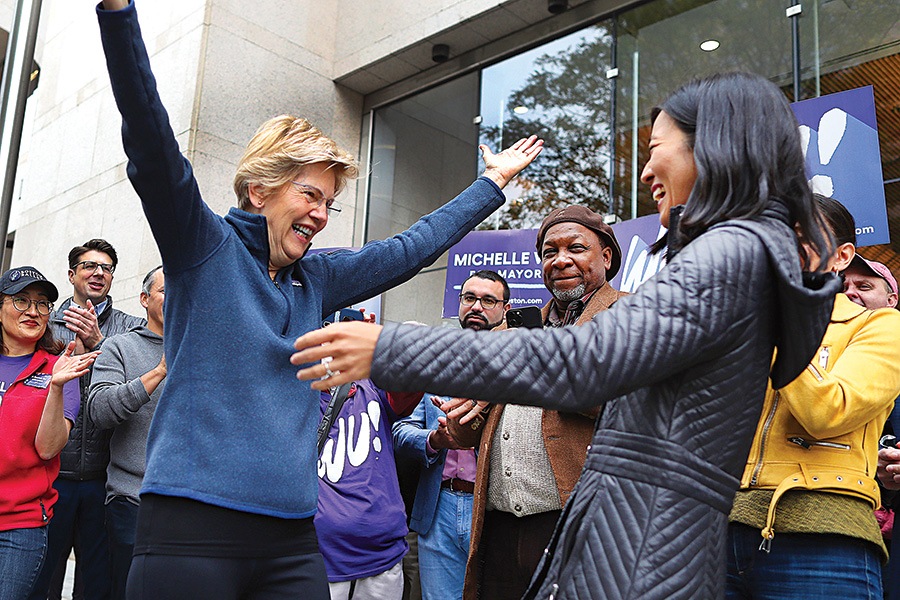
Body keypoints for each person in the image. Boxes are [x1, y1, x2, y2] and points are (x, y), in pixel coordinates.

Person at [292, 71, 843, 599]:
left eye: (656, 148)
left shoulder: (734, 254)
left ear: (716, 147)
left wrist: (390, 348)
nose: (647, 170)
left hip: (641, 552)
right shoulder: (740, 256)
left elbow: (585, 362)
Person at [95, 2, 541, 598]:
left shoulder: (319, 279)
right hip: (190, 528)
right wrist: (118, 14)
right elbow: (151, 143)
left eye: (330, 202)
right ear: (259, 189)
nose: (322, 215)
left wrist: (491, 185)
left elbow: (412, 247)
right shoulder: (203, 247)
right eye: (311, 194)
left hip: (292, 539)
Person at [444, 210, 626, 600]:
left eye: (575, 248)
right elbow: (468, 431)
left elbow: (632, 403)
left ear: (606, 257)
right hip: (498, 527)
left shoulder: (633, 314)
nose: (560, 260)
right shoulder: (512, 329)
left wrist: (533, 374)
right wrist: (461, 418)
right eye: (549, 252)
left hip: (576, 524)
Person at [726, 195, 900, 599]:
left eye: (800, 237)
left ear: (842, 256)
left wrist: (777, 321)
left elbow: (828, 412)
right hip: (718, 531)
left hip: (825, 538)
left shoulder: (879, 324)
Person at [32, 239, 144, 600]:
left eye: (106, 268)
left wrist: (99, 345)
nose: (98, 273)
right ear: (71, 274)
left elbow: (136, 390)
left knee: (97, 583)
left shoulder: (131, 329)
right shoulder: (44, 326)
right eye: (88, 266)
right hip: (51, 475)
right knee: (42, 577)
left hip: (104, 477)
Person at [392, 270, 511, 600]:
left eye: (488, 300)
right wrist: (435, 440)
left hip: (490, 510)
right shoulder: (433, 364)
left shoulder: (519, 362)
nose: (477, 306)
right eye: (469, 298)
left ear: (505, 307)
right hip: (438, 507)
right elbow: (400, 430)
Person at [0, 266, 99, 599]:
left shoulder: (59, 368)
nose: (33, 311)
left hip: (19, 525)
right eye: (21, 300)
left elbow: (49, 448)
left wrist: (56, 387)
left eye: (42, 304)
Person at [87, 266, 165, 600]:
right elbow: (100, 410)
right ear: (145, 299)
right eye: (166, 290)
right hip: (133, 498)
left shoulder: (203, 346)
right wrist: (159, 372)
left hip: (192, 504)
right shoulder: (119, 347)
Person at [316, 371, 423, 599]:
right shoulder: (291, 393)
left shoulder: (374, 384)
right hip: (319, 556)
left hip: (382, 553)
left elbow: (414, 372)